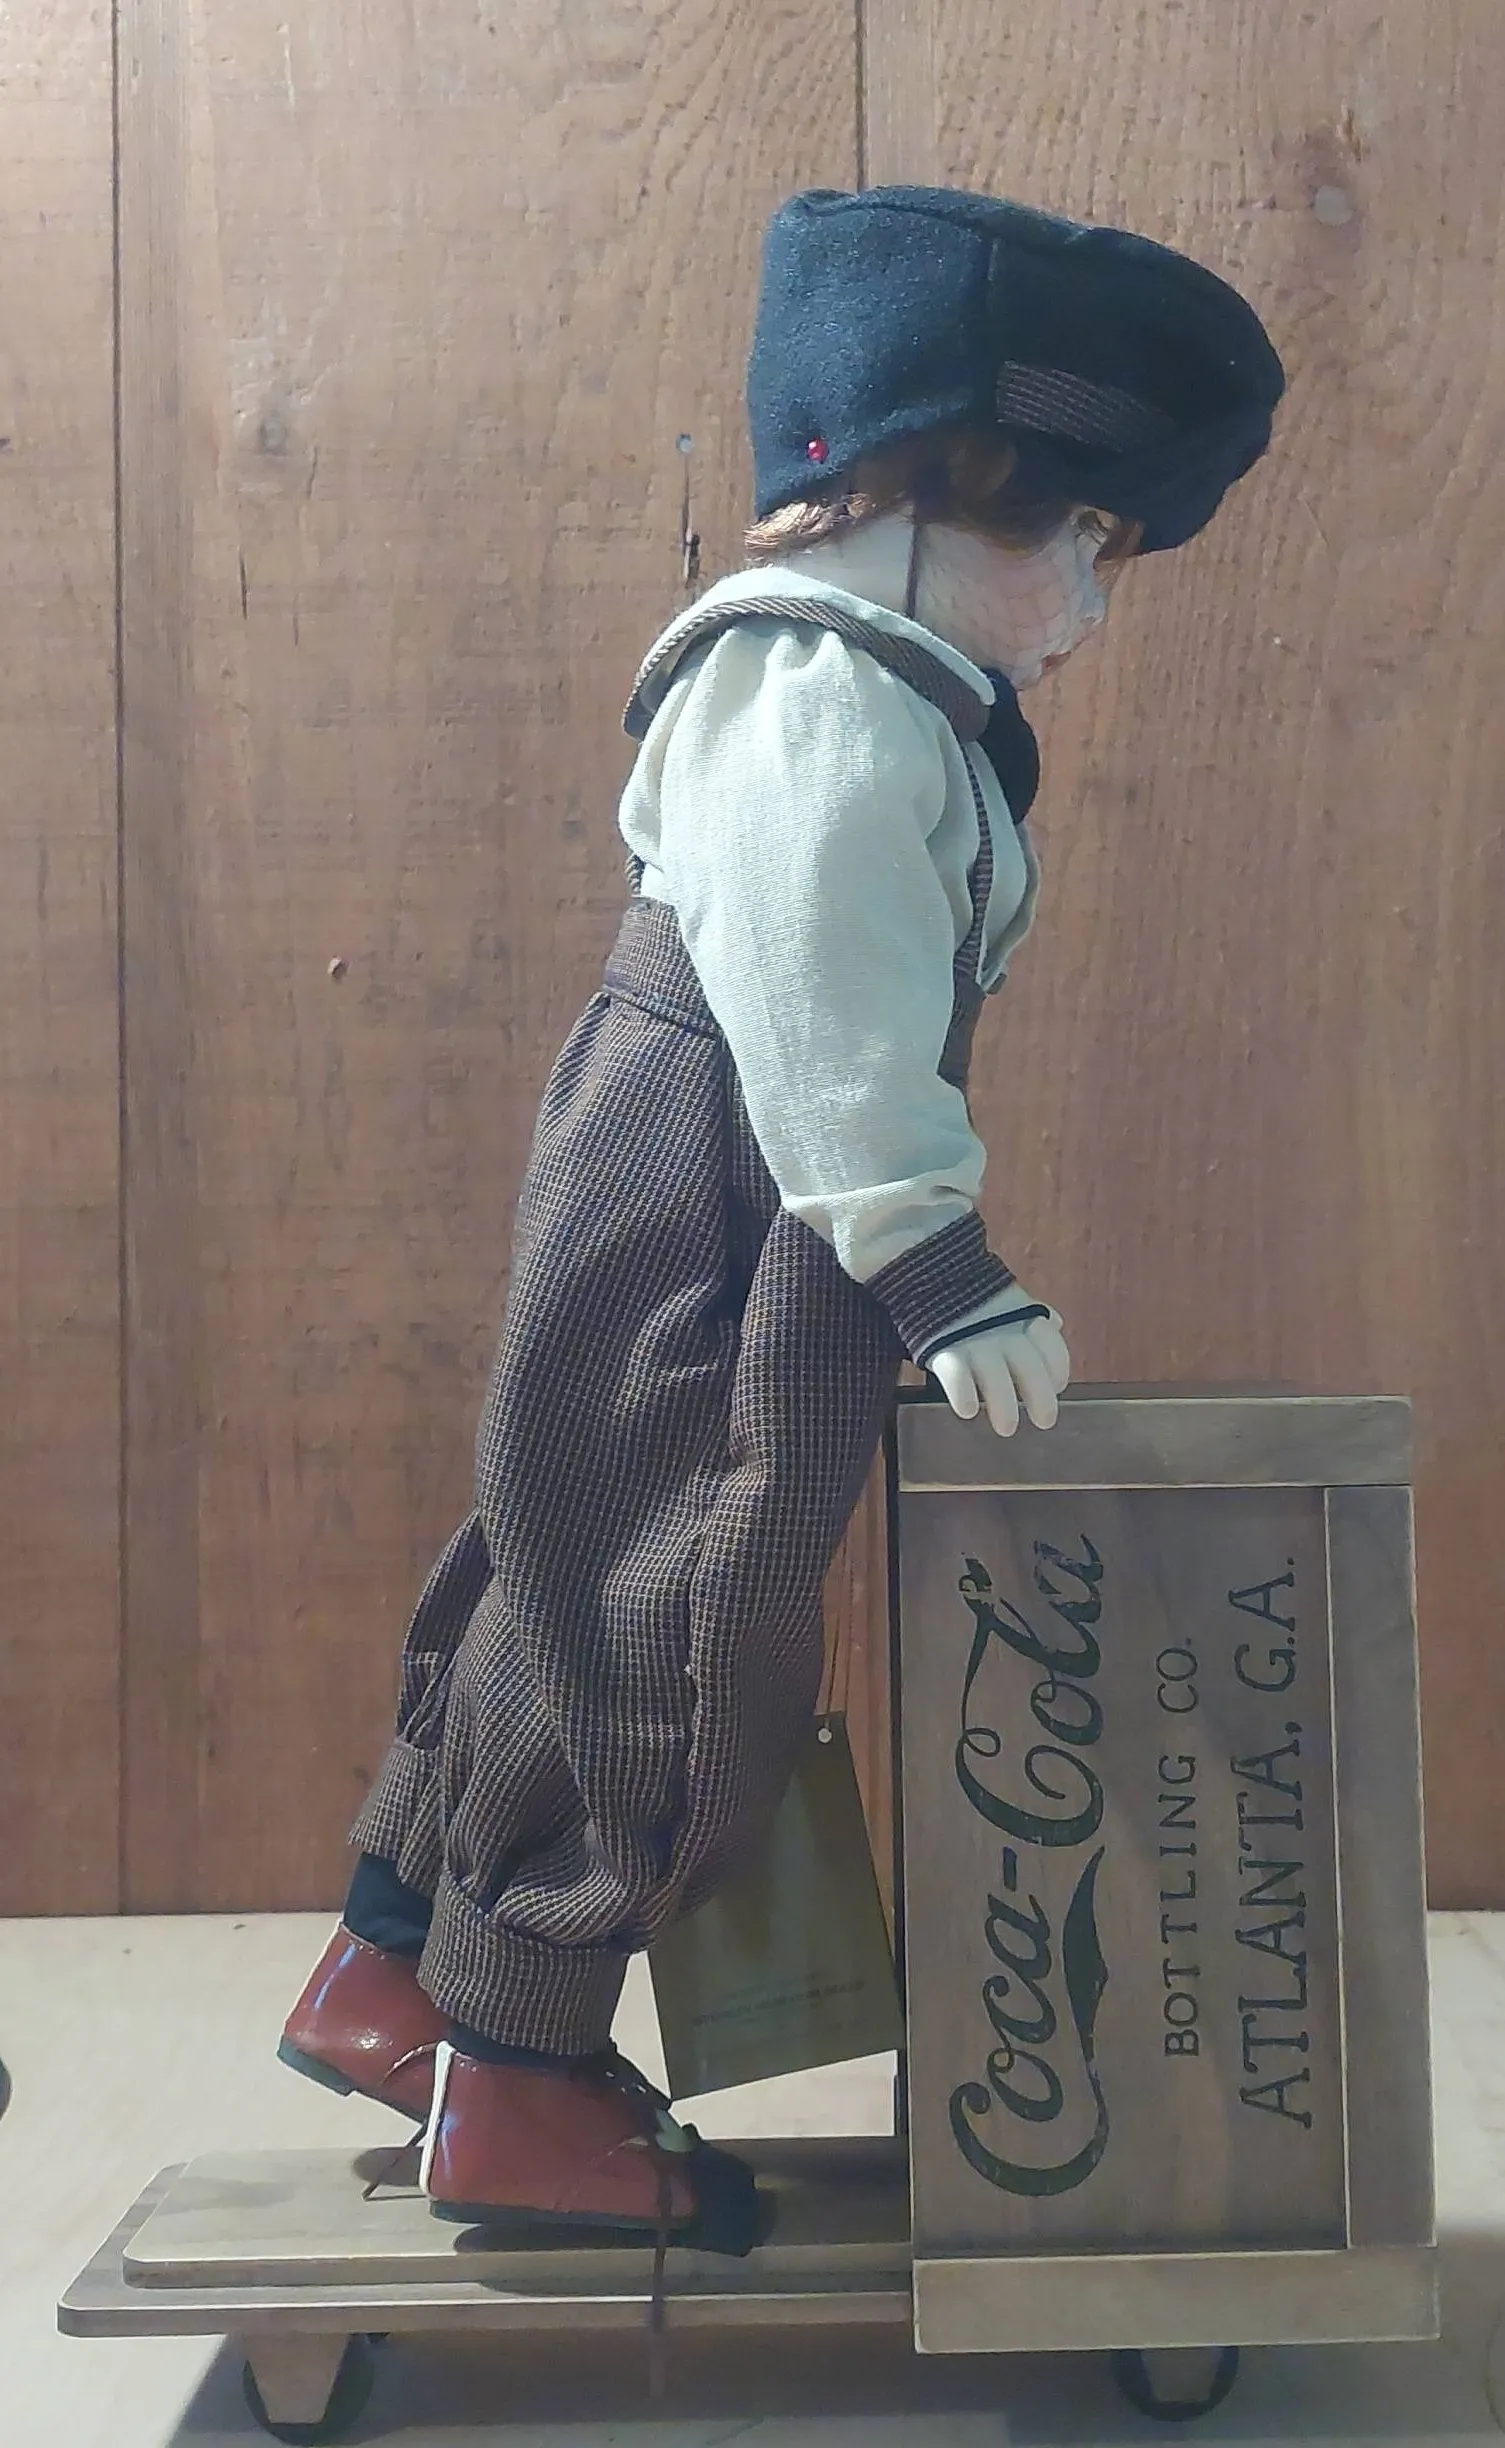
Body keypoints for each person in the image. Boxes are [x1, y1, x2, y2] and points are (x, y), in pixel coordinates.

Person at [280, 184, 1284, 2255]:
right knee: (678, 1602)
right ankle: (520, 2066)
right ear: (908, 495)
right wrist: (936, 1266)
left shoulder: (857, 683)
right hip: (743, 1187)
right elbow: (821, 1004)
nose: (1086, 602)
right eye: (1069, 537)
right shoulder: (823, 699)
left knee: (573, 1550)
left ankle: (400, 1966)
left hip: (730, 1163)